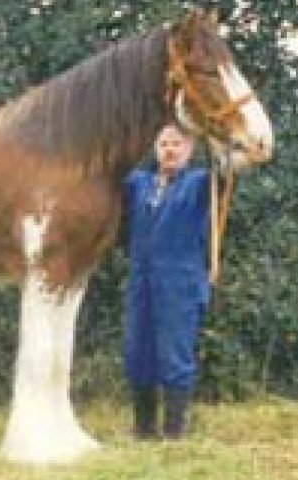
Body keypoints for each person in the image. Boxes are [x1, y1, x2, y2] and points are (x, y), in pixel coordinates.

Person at [122, 123, 210, 440]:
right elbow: (110, 172)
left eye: (177, 144)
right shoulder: (139, 183)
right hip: (141, 280)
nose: (170, 150)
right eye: (163, 144)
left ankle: (174, 432)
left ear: (189, 150)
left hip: (180, 282)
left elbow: (226, 171)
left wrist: (226, 148)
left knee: (175, 352)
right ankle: (143, 430)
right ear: (155, 149)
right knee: (137, 348)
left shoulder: (199, 182)